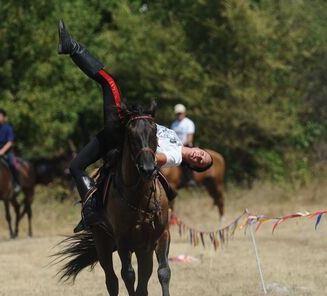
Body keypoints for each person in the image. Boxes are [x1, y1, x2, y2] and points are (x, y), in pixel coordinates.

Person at [57, 20, 212, 231]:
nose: (199, 157)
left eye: (200, 163)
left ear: (193, 166)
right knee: (75, 167)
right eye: (203, 155)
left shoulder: (175, 155)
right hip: (116, 137)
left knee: (109, 82)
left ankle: (71, 47)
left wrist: (146, 150)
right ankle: (92, 210)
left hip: (122, 134)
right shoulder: (175, 137)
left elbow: (153, 158)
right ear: (200, 149)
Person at [0, 108, 21, 193]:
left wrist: (2, 151)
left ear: (4, 118)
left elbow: (10, 142)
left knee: (12, 164)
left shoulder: (8, 128)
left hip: (7, 152)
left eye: (0, 116)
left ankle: (17, 183)